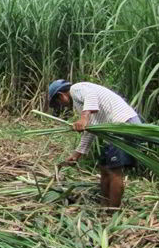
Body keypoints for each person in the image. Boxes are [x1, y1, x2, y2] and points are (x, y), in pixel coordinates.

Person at [47, 79, 142, 208]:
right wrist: (76, 155)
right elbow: (90, 130)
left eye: (58, 102)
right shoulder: (80, 104)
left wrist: (84, 117)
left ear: (61, 95)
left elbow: (91, 96)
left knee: (114, 171)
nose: (62, 105)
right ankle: (104, 206)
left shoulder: (77, 89)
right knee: (104, 168)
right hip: (115, 130)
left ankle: (112, 212)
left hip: (124, 124)